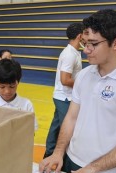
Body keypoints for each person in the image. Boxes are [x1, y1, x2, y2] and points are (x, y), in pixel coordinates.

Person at [39, 9, 116, 173]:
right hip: (70, 162)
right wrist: (59, 152)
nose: (86, 50)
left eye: (93, 44)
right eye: (85, 43)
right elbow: (71, 118)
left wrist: (92, 168)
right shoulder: (84, 75)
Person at [44, 23, 84, 159]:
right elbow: (65, 80)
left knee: (56, 127)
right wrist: (82, 85)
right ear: (80, 36)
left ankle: (49, 152)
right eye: (85, 34)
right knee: (66, 129)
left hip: (64, 96)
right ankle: (64, 158)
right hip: (64, 97)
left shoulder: (74, 53)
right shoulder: (69, 55)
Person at [0, 59, 38, 130]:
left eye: (12, 86)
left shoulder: (26, 105)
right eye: (2, 87)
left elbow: (31, 131)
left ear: (18, 82)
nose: (7, 91)